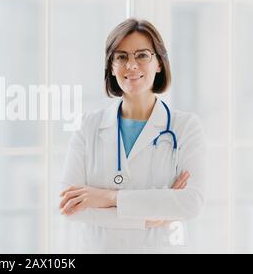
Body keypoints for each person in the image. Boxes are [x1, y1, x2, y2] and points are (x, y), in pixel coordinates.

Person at [59, 18, 206, 253]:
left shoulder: (185, 127)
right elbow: (70, 207)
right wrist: (148, 218)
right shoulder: (88, 126)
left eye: (142, 55)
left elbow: (190, 204)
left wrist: (107, 197)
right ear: (111, 66)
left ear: (159, 63)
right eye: (121, 57)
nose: (132, 65)